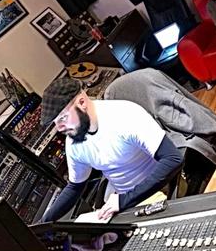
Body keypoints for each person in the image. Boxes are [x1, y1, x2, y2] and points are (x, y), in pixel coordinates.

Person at [40, 77, 183, 222]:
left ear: (82, 103)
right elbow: (75, 187)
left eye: (63, 118)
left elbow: (173, 159)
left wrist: (123, 200)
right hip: (122, 199)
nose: (59, 128)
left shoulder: (124, 114)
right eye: (56, 123)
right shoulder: (73, 141)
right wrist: (42, 224)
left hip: (157, 188)